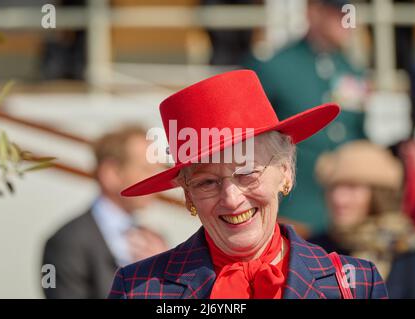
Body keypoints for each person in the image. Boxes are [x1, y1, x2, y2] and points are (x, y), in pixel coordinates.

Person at [108, 70, 387, 299]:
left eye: (247, 174)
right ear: (188, 195)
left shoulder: (357, 285)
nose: (231, 198)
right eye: (207, 182)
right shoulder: (138, 289)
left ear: (285, 171)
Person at [243, 0, 369, 234]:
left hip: (346, 215)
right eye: (339, 12)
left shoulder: (354, 70)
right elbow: (249, 136)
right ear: (313, 12)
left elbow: (359, 133)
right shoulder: (274, 67)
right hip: (294, 207)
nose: (348, 21)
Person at [42, 126, 167, 299]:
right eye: (146, 170)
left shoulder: (155, 240)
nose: (157, 180)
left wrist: (166, 273)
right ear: (111, 173)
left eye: (158, 170)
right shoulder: (66, 241)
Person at [310, 140, 415, 299]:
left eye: (352, 187)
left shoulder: (404, 252)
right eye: (333, 187)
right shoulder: (314, 250)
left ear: (378, 195)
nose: (338, 199)